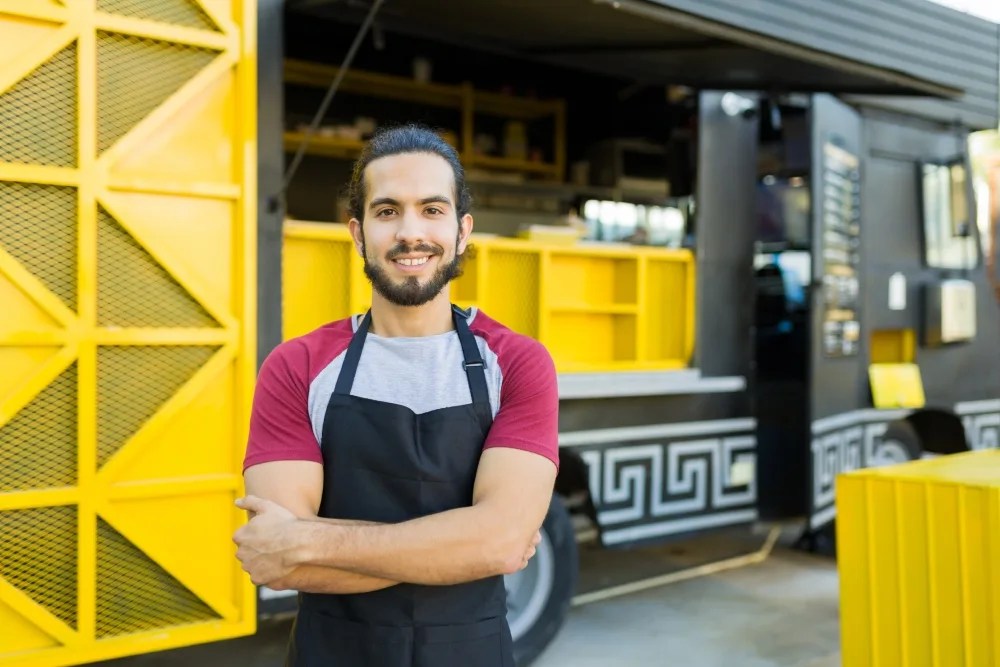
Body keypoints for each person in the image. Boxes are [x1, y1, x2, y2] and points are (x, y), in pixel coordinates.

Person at [233, 123, 560, 667]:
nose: (411, 232)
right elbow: (277, 562)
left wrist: (308, 539)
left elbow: (500, 541)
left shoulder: (520, 363)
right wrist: (465, 544)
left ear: (462, 231)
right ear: (358, 234)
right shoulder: (297, 366)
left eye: (432, 210)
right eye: (388, 212)